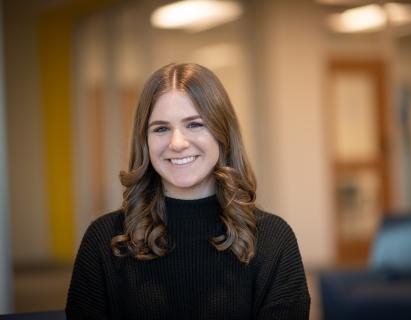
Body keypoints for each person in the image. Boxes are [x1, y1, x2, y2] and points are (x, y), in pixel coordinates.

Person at [66, 63, 310, 319]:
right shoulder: (105, 240)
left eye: (194, 124)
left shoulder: (273, 240)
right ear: (145, 141)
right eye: (161, 128)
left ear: (222, 132)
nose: (177, 143)